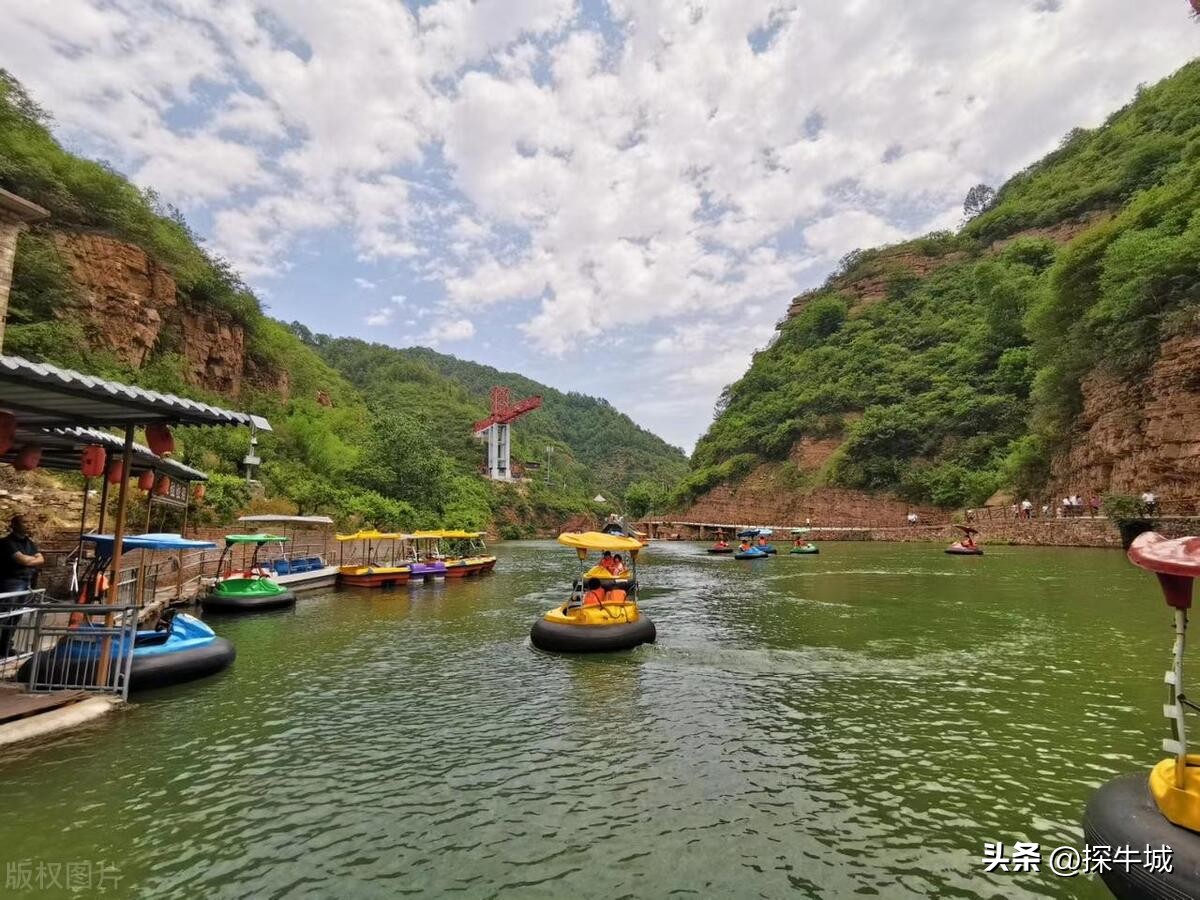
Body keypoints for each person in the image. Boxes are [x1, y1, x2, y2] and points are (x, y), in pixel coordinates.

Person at [0, 515, 43, 660]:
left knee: (15, 617)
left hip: (26, 582)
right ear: (14, 525)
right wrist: (31, 559)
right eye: (25, 522)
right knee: (4, 616)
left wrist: (30, 560)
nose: (28, 524)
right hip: (11, 582)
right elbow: (23, 560)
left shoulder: (29, 543)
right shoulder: (7, 542)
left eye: (30, 521)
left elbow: (41, 559)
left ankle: (5, 648)